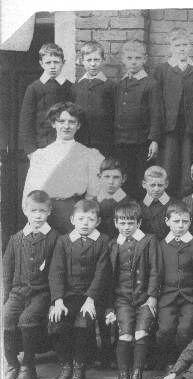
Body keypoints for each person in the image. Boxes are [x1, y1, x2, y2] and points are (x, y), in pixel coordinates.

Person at [48, 199, 111, 379]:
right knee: (57, 323)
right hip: (68, 297)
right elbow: (56, 271)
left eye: (90, 219)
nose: (85, 223)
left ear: (98, 221)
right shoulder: (63, 241)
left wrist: (91, 299)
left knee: (83, 324)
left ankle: (79, 369)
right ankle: (66, 366)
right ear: (72, 219)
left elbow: (103, 273)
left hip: (93, 297)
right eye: (81, 218)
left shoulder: (103, 241)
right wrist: (58, 301)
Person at [3, 190, 59, 379]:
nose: (37, 215)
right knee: (7, 318)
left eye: (42, 211)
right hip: (17, 292)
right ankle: (12, 365)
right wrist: (5, 297)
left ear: (49, 211)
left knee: (27, 320)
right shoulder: (16, 239)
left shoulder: (54, 238)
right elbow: (7, 272)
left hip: (41, 293)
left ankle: (28, 367)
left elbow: (56, 273)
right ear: (25, 210)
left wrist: (55, 299)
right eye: (33, 210)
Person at [104, 201, 160, 379]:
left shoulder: (149, 240)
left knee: (141, 332)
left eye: (130, 223)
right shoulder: (113, 244)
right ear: (116, 223)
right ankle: (123, 378)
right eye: (122, 223)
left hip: (144, 298)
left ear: (139, 222)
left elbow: (154, 270)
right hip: (122, 299)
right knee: (125, 334)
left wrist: (152, 297)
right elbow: (107, 279)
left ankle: (137, 378)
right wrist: (109, 306)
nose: (126, 227)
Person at [22, 101, 104, 234]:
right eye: (61, 121)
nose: (66, 126)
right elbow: (29, 191)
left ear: (78, 125)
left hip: (74, 213)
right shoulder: (41, 155)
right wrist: (34, 218)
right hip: (44, 213)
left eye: (72, 122)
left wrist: (83, 216)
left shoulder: (89, 154)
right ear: (54, 123)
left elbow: (93, 191)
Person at [154, 27, 193, 197]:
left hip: (190, 129)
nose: (182, 48)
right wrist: (155, 134)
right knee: (169, 164)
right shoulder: (162, 70)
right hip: (168, 128)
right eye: (177, 45)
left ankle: (187, 200)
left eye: (185, 44)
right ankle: (168, 202)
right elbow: (156, 104)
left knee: (188, 166)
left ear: (190, 46)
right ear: (170, 47)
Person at [92, 157, 131, 368]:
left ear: (123, 179)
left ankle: (118, 348)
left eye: (116, 177)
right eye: (106, 177)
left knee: (117, 303)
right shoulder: (94, 203)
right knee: (101, 302)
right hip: (99, 259)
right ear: (99, 178)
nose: (111, 182)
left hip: (120, 259)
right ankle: (103, 349)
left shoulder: (128, 203)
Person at [156, 201, 193, 372]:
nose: (180, 225)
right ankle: (169, 361)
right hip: (167, 297)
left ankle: (183, 364)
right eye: (176, 221)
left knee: (185, 330)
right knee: (165, 330)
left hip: (190, 297)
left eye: (185, 221)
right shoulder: (161, 245)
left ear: (190, 222)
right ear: (167, 221)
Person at [113, 40, 162, 199]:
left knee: (141, 178)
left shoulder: (150, 84)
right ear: (123, 60)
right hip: (122, 140)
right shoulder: (121, 83)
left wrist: (154, 139)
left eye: (137, 58)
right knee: (125, 177)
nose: (133, 62)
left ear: (145, 59)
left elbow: (156, 113)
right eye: (129, 58)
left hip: (141, 141)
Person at [19, 43, 73, 154]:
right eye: (48, 62)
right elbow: (26, 123)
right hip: (41, 146)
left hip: (66, 146)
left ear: (63, 63)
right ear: (41, 64)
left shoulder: (70, 87)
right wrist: (31, 151)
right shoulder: (34, 88)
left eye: (56, 62)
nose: (52, 66)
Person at [71, 40, 116, 157]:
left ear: (103, 60)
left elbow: (115, 114)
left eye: (96, 60)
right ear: (82, 61)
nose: (92, 64)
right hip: (81, 139)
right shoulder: (76, 86)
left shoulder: (110, 86)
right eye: (89, 60)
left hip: (104, 140)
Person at [140, 166, 175, 241]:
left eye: (160, 185)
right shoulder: (139, 206)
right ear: (144, 184)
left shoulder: (174, 205)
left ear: (166, 184)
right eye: (152, 185)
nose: (156, 189)